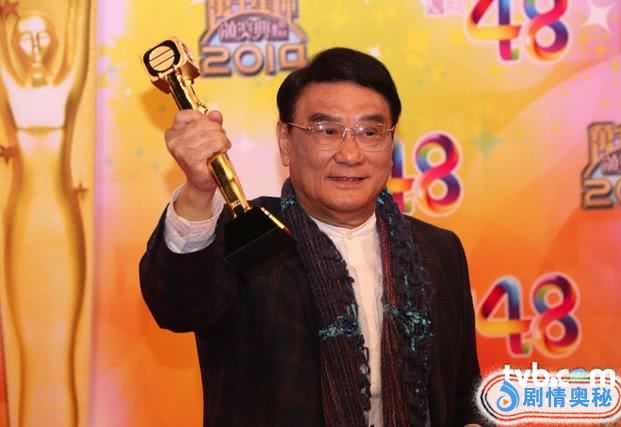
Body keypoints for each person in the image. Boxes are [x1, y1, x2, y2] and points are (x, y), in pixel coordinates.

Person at [140, 47, 484, 426]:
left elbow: (462, 389)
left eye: (370, 132)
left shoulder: (436, 250)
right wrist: (198, 191)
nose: (350, 154)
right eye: (327, 131)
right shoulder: (245, 236)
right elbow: (178, 305)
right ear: (285, 141)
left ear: (391, 144)